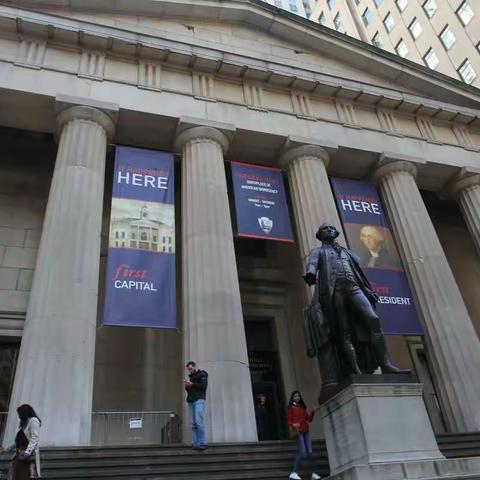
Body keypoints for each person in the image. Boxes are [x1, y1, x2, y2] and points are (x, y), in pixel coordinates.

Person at [303, 223, 409, 386]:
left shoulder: (346, 252)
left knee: (373, 320)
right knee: (344, 331)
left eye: (332, 228)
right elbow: (312, 264)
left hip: (354, 288)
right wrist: (310, 274)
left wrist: (367, 289)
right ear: (320, 235)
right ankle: (355, 370)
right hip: (335, 292)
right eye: (326, 229)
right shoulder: (318, 252)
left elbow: (358, 272)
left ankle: (385, 364)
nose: (330, 230)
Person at [286, 391, 320, 480]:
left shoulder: (302, 408)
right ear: (292, 398)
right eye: (295, 396)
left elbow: (309, 419)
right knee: (303, 453)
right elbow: (288, 421)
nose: (297, 397)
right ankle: (293, 473)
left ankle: (314, 474)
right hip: (299, 432)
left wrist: (313, 411)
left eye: (298, 396)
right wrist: (293, 424)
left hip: (306, 431)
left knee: (310, 453)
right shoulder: (291, 408)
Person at [7, 404, 41, 479]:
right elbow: (19, 441)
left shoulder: (33, 421)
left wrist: (27, 452)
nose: (19, 416)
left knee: (25, 476)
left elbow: (34, 437)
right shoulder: (25, 423)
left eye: (20, 414)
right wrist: (7, 449)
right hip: (20, 455)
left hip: (26, 457)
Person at [184, 361, 208, 451]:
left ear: (194, 366)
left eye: (190, 368)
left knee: (199, 421)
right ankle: (195, 443)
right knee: (193, 423)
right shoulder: (191, 377)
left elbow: (203, 386)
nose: (190, 371)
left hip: (199, 399)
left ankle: (202, 443)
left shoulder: (202, 374)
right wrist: (187, 386)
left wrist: (192, 384)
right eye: (188, 369)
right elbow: (190, 390)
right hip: (191, 400)